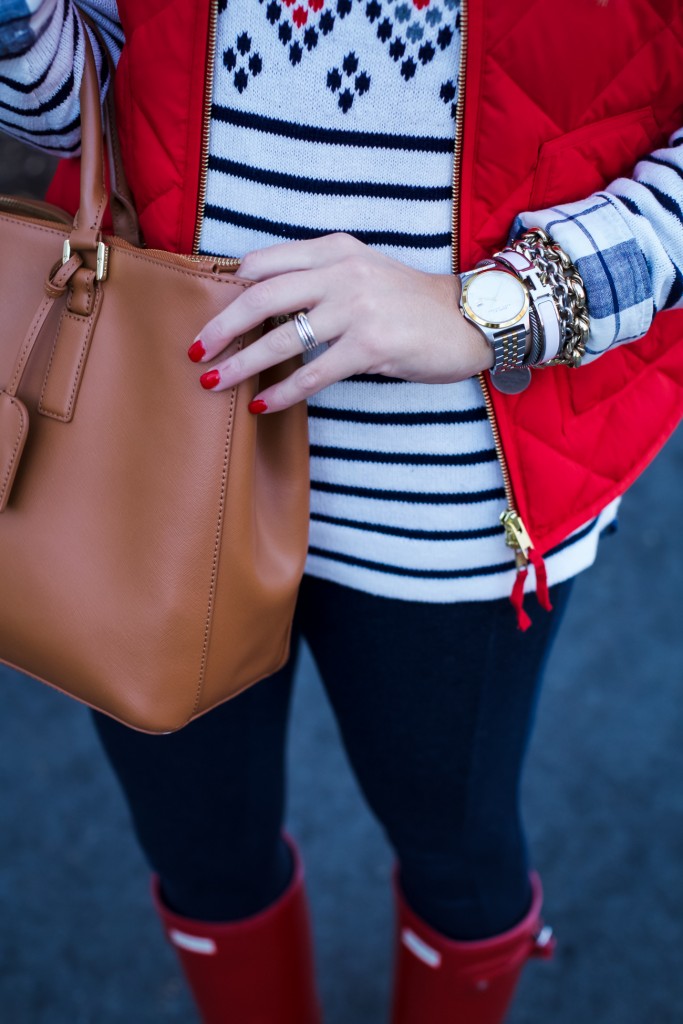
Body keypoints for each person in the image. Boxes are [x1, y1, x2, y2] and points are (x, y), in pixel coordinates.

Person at [1, 1, 682, 1022]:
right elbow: (89, 91)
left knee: (453, 848)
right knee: (198, 845)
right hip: (147, 430)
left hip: (453, 483)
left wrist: (495, 305)